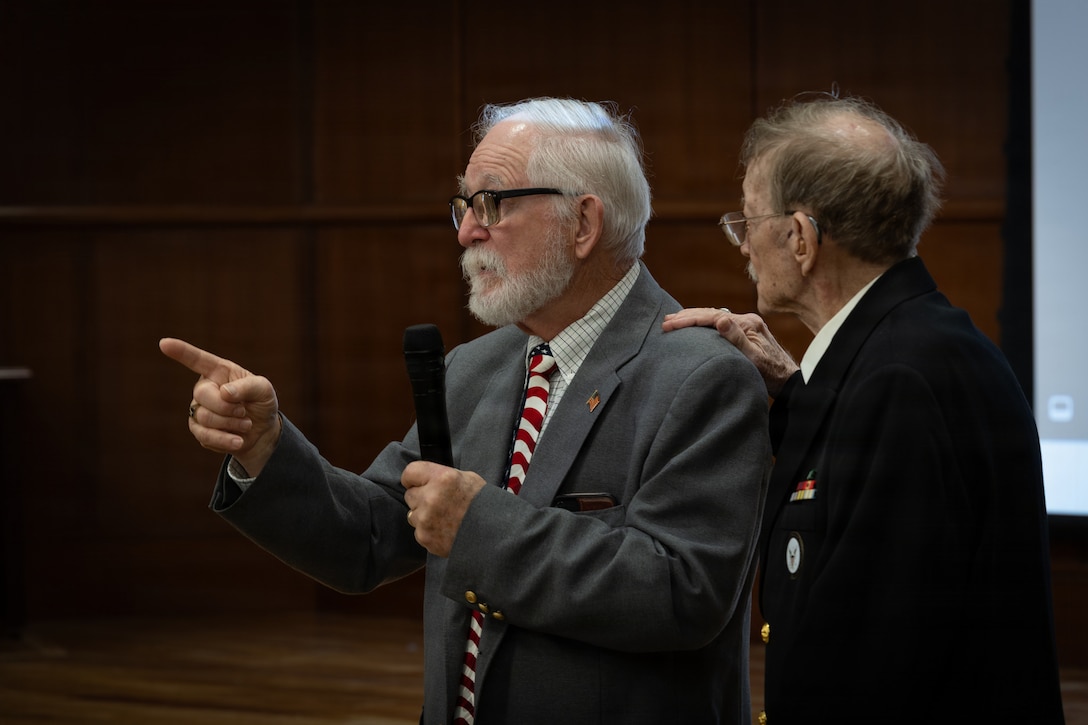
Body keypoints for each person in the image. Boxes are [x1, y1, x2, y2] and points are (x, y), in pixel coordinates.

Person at [161, 97, 772, 725]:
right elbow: (370, 537)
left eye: (491, 204)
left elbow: (683, 593)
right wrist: (263, 447)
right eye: (463, 205)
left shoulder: (703, 376)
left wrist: (476, 524)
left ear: (583, 224)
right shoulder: (473, 370)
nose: (466, 231)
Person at [664, 94, 1065, 723]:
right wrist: (796, 388)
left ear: (799, 237)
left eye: (746, 222)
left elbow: (875, 664)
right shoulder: (915, 348)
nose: (741, 247)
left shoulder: (899, 382)